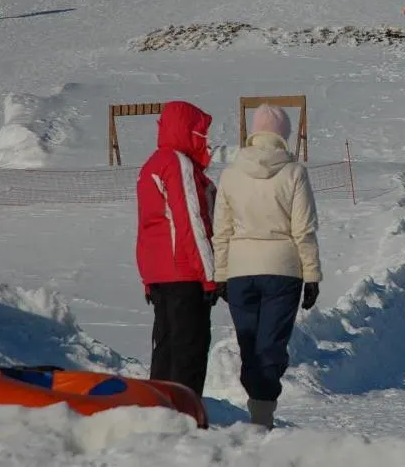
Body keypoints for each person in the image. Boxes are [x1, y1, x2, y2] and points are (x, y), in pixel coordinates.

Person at [212, 104, 322, 429]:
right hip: (283, 271)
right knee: (271, 345)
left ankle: (257, 413)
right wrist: (312, 275)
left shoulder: (230, 174)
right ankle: (262, 416)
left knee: (249, 347)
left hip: (239, 272)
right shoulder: (295, 173)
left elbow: (223, 230)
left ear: (254, 133)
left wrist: (220, 274)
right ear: (284, 135)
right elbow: (304, 229)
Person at [136, 100, 218, 398]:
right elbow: (190, 221)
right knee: (189, 351)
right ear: (187, 130)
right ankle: (185, 417)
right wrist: (210, 275)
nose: (204, 139)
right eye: (200, 132)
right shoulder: (178, 163)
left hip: (160, 275)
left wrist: (147, 279)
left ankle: (159, 410)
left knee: (166, 348)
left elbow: (146, 228)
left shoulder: (150, 165)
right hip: (185, 273)